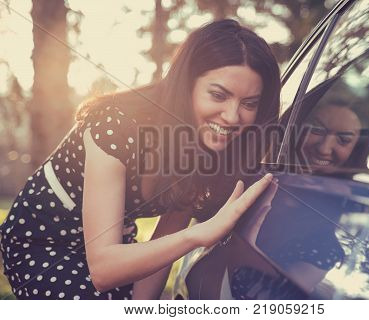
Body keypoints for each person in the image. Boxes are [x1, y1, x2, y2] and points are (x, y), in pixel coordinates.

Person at [0, 19, 280, 300]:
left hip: (114, 245)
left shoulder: (209, 147)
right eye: (218, 95)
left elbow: (164, 241)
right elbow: (104, 268)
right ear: (187, 85)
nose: (232, 117)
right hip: (42, 241)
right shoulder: (115, 126)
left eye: (249, 104)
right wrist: (200, 234)